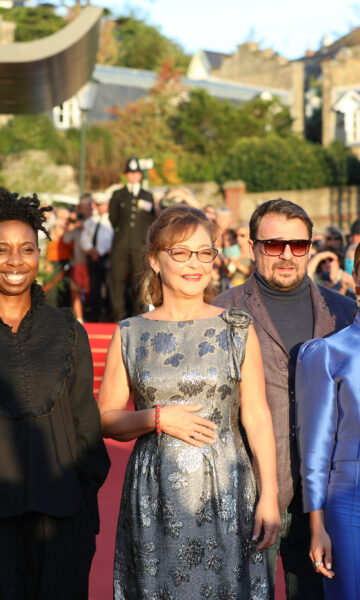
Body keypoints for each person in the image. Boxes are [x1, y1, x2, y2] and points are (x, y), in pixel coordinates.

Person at [99, 205, 280, 600]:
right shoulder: (130, 333)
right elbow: (105, 419)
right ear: (155, 260)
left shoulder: (236, 328)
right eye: (180, 253)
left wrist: (269, 496)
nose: (194, 264)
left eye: (204, 252)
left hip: (227, 490)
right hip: (154, 494)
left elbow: (257, 416)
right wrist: (156, 417)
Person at [213, 199, 355, 600]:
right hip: (249, 492)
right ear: (254, 246)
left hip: (327, 498)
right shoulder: (221, 313)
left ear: (311, 247)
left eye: (299, 244)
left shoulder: (343, 312)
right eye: (275, 245)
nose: (288, 255)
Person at [0, 192, 110, 599]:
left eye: (27, 249)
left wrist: (82, 508)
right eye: (2, 249)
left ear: (39, 255)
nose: (15, 261)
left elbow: (86, 426)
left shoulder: (67, 331)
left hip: (62, 520)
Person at [296, 241, 360, 599]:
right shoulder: (329, 353)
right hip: (352, 506)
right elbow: (316, 450)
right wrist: (316, 525)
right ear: (356, 277)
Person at [109, 156, 155, 320]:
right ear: (126, 175)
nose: (133, 176)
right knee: (117, 280)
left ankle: (138, 316)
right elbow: (113, 219)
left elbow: (150, 219)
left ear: (140, 175)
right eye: (130, 173)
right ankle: (118, 316)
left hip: (139, 245)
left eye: (136, 173)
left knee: (139, 281)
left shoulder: (147, 196)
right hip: (120, 244)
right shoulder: (118, 195)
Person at [80, 196, 113, 322]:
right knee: (95, 287)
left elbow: (112, 240)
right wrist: (91, 250)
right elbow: (84, 238)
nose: (100, 207)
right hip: (92, 257)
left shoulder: (111, 220)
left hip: (106, 257)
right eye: (98, 205)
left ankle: (109, 315)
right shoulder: (90, 221)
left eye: (102, 204)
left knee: (109, 287)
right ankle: (96, 316)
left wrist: (101, 251)